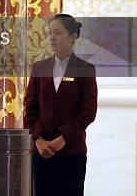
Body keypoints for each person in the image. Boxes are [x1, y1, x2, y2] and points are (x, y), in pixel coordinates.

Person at [24, 14, 98, 196]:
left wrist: (63, 138)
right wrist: (39, 140)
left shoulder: (85, 69)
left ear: (72, 36)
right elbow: (30, 107)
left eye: (57, 32)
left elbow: (88, 112)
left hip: (73, 153)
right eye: (49, 33)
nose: (52, 37)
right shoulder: (39, 68)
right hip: (42, 153)